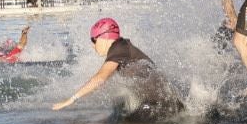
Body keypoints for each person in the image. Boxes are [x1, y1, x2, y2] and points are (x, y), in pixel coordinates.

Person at [52, 18, 183, 116]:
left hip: (163, 103)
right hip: (163, 100)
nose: (92, 45)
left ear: (104, 37)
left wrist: (71, 100)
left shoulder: (118, 49)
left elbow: (100, 78)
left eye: (93, 40)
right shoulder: (121, 48)